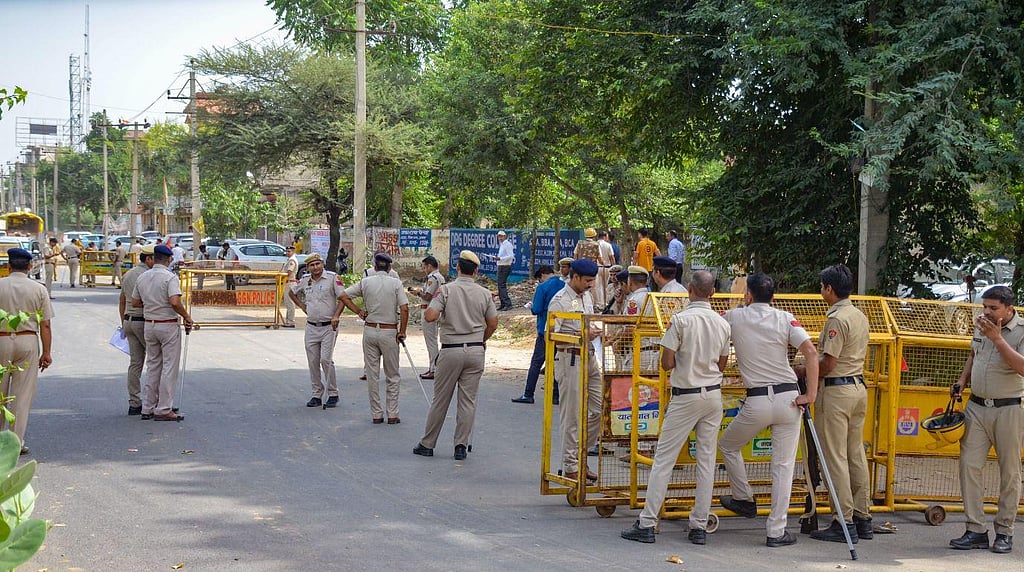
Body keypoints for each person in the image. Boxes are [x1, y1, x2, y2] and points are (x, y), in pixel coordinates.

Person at [621, 271, 729, 545]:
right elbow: (722, 363)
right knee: (706, 461)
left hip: (686, 395)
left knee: (664, 460)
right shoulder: (722, 323)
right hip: (713, 396)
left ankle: (647, 522)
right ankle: (699, 525)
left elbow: (666, 363)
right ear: (713, 293)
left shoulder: (680, 320)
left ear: (690, 289)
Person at [718, 272, 819, 548]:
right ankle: (776, 531)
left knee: (728, 445)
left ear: (748, 295)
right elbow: (811, 352)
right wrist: (810, 395)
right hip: (789, 398)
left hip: (758, 400)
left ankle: (744, 497)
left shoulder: (734, 317)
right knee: (783, 467)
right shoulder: (785, 318)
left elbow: (712, 325)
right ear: (773, 296)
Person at [949, 285, 1024, 554]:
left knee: (1010, 471)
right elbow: (973, 354)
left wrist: (998, 339)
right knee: (969, 465)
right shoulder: (981, 325)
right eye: (985, 307)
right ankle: (975, 529)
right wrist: (962, 380)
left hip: (1009, 408)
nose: (987, 312)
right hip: (976, 406)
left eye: (994, 308)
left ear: (1009, 309)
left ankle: (1004, 531)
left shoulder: (1020, 331)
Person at [414, 250, 498, 460]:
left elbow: (430, 316)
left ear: (458, 268)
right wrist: (481, 339)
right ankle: (460, 446)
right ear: (476, 271)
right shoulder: (484, 293)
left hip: (451, 349)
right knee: (468, 401)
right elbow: (493, 323)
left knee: (440, 399)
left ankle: (427, 444)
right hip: (476, 350)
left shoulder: (446, 290)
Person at [808, 264, 871, 543]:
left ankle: (843, 521)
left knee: (835, 457)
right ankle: (862, 516)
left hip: (836, 392)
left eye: (822, 287)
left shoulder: (836, 319)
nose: (821, 291)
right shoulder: (859, 315)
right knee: (855, 455)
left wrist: (803, 369)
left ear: (829, 289)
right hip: (857, 388)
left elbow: (828, 364)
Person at [339, 252, 409, 423]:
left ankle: (376, 414)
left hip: (370, 330)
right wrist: (402, 331)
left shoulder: (366, 282)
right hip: (389, 331)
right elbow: (404, 308)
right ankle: (392, 413)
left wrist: (359, 311)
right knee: (392, 375)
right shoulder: (396, 283)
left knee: (372, 375)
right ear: (389, 267)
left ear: (375, 267)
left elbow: (343, 295)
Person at [549, 259, 602, 482]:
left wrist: (594, 331)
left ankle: (581, 456)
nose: (591, 284)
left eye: (593, 280)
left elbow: (588, 322)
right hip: (570, 358)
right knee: (572, 415)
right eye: (587, 280)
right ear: (576, 277)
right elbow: (551, 335)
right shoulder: (560, 301)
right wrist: (581, 334)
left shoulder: (587, 296)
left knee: (600, 409)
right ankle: (571, 465)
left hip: (590, 356)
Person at [0, 248, 54, 455]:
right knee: (21, 396)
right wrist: (46, 352)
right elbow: (45, 324)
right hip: (27, 340)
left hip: (1, 339)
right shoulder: (38, 289)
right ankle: (15, 442)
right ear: (30, 266)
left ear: (8, 266)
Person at [131, 245, 193, 422]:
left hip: (149, 325)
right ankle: (164, 408)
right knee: (169, 367)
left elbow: (135, 302)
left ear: (154, 257)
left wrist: (152, 303)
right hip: (167, 324)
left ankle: (148, 407)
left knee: (153, 366)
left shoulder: (143, 277)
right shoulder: (170, 277)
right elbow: (174, 301)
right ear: (168, 259)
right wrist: (186, 316)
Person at [288, 254, 345, 409]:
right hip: (312, 326)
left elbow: (343, 298)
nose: (315, 267)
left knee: (326, 360)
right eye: (312, 265)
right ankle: (316, 394)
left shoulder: (332, 278)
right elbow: (291, 292)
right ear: (308, 267)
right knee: (313, 361)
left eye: (318, 264)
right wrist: (302, 305)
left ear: (322, 264)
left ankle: (333, 393)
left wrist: (336, 315)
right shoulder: (305, 280)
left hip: (329, 326)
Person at [513, 264, 562, 404]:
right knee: (556, 363)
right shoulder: (564, 285)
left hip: (544, 330)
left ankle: (528, 394)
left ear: (542, 275)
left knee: (536, 363)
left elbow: (537, 309)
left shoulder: (542, 287)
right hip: (560, 330)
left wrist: (531, 306)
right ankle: (556, 395)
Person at [119, 244, 156, 416]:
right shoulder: (147, 276)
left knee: (135, 363)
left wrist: (123, 322)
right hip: (143, 321)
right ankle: (155, 403)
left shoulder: (128, 274)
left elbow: (122, 301)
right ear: (148, 259)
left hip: (129, 321)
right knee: (156, 361)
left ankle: (134, 402)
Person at [409, 256, 445, 379]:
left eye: (424, 267)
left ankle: (433, 369)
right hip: (436, 309)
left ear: (429, 266)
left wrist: (418, 293)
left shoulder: (432, 278)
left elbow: (428, 296)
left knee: (431, 342)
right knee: (433, 340)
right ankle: (434, 368)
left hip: (429, 310)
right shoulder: (439, 277)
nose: (424, 270)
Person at [574, 229, 604, 306]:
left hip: (580, 269)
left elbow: (575, 256)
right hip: (592, 270)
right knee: (593, 287)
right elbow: (600, 259)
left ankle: (578, 304)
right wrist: (604, 263)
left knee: (579, 287)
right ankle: (594, 304)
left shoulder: (579, 243)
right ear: (594, 236)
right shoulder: (596, 245)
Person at [494, 230, 514, 311]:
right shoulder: (502, 245)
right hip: (501, 265)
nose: (500, 238)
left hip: (505, 266)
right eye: (499, 236)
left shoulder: (507, 244)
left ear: (505, 236)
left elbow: (511, 256)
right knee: (500, 285)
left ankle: (507, 304)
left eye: (501, 236)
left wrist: (500, 258)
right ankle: (503, 303)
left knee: (502, 285)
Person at [597, 230, 617, 307]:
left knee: (599, 286)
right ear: (605, 236)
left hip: (597, 267)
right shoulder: (608, 245)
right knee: (605, 286)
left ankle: (600, 303)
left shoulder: (595, 244)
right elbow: (612, 257)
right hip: (607, 268)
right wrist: (614, 267)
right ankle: (605, 302)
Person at [281, 245, 299, 328]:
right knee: (288, 303)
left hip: (290, 283)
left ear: (293, 252)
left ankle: (291, 321)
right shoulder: (289, 260)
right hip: (288, 283)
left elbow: (289, 272)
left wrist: (281, 277)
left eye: (289, 251)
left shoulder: (292, 260)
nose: (287, 253)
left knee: (290, 303)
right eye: (287, 251)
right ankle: (288, 321)